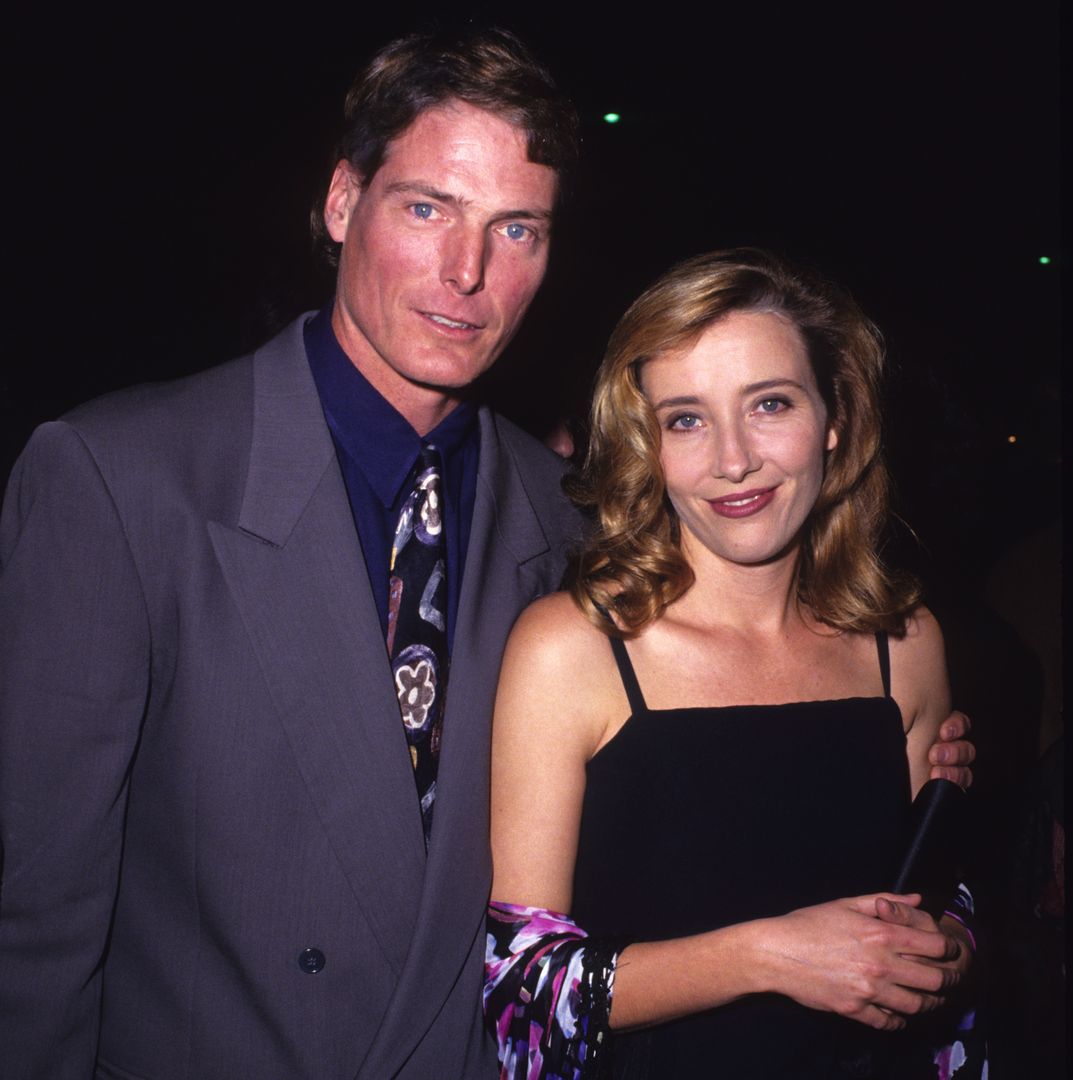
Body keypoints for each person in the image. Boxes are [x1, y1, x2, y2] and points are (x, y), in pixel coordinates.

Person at [0, 30, 973, 1080]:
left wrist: (890, 772)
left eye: (517, 228)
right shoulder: (121, 478)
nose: (468, 272)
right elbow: (36, 918)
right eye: (428, 209)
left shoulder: (567, 521)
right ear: (340, 205)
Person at [485, 249, 979, 1078]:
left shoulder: (907, 645)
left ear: (834, 419)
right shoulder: (571, 650)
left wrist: (953, 951)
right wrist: (769, 956)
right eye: (685, 419)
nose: (733, 458)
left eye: (771, 404)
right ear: (648, 444)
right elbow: (521, 991)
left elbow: (932, 903)